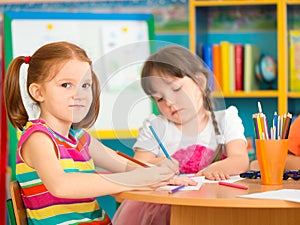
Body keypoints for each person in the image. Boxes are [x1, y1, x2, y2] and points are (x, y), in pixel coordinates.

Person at [3, 41, 196, 225]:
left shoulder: (78, 137)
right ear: (38, 93)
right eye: (65, 85)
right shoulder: (38, 137)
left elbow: (125, 165)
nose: (79, 94)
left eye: (85, 85)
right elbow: (61, 185)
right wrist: (137, 179)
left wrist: (159, 174)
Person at [112, 45, 249, 225]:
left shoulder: (226, 118)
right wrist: (158, 164)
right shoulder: (156, 126)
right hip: (165, 207)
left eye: (175, 89)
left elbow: (240, 160)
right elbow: (137, 164)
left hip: (217, 204)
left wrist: (216, 169)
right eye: (159, 98)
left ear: (200, 82)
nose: (169, 102)